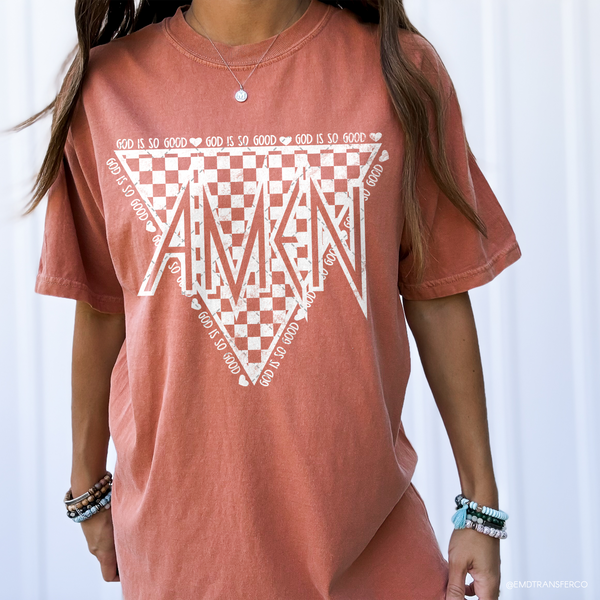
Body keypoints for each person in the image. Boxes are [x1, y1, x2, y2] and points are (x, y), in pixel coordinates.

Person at [14, 0, 521, 598]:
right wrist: (87, 485)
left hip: (371, 550)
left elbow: (437, 296)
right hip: (182, 552)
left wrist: (480, 508)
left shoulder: (401, 72)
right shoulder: (105, 88)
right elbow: (101, 307)